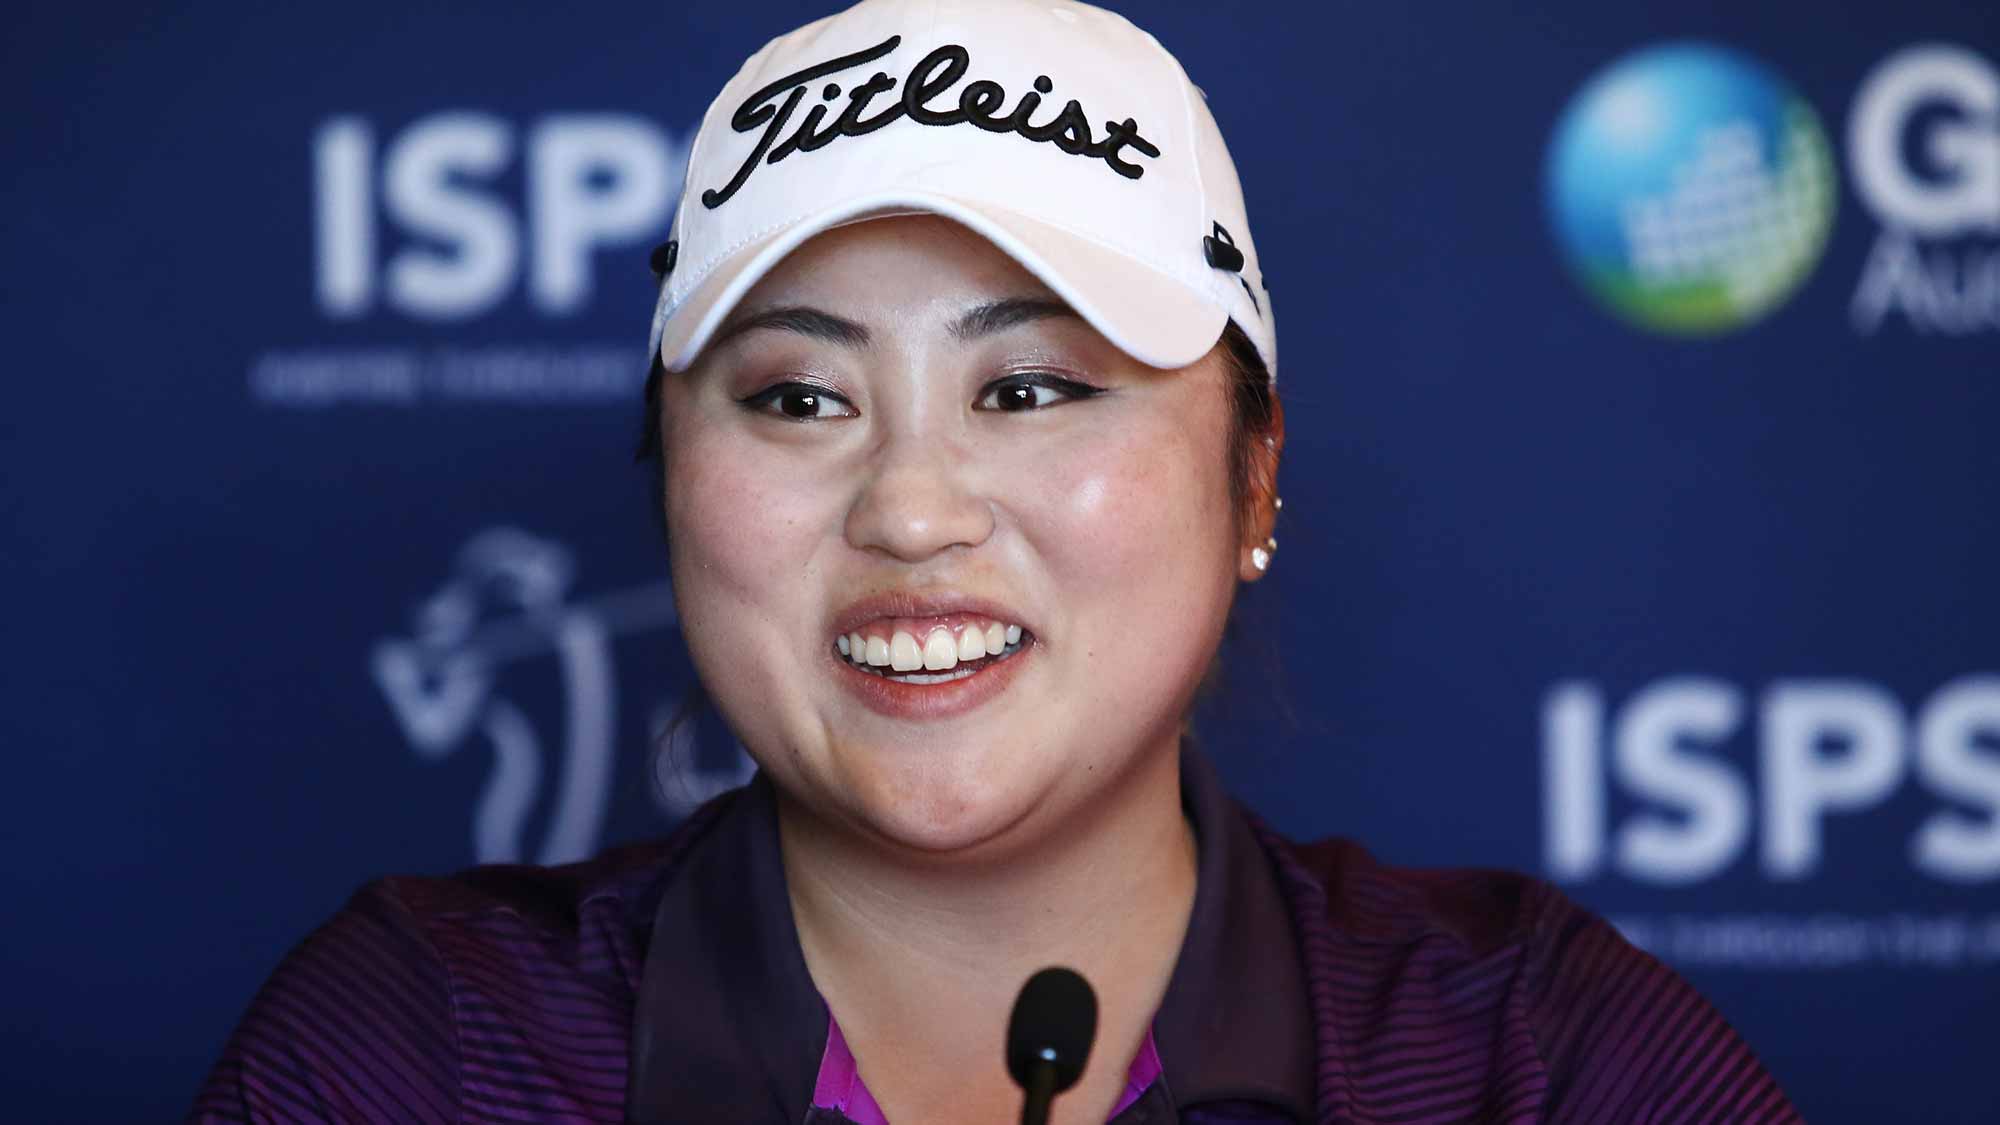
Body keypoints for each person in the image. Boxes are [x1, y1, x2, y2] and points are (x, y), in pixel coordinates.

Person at [193, 1, 1803, 1122]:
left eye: (1029, 388)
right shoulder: (419, 1051)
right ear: (673, 482)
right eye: (798, 396)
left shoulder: (1540, 1058)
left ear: (1256, 471)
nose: (910, 507)